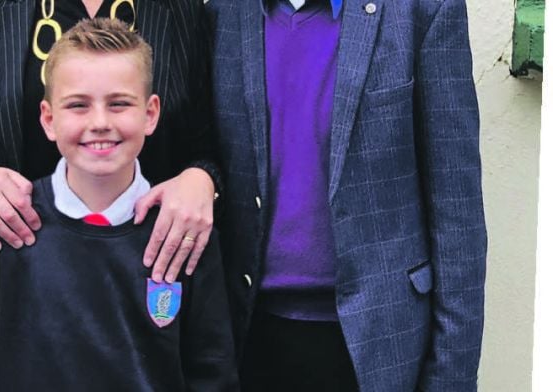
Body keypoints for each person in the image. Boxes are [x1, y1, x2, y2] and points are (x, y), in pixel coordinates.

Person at [0, 0, 219, 389]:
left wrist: (202, 177)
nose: (99, 122)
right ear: (49, 116)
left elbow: (211, 147)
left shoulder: (179, 9)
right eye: (78, 106)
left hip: (138, 310)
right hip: (9, 307)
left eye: (118, 105)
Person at [206, 0, 487, 391]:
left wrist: (451, 379)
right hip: (250, 337)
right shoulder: (222, 12)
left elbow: (457, 211)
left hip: (379, 346)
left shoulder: (423, 10)